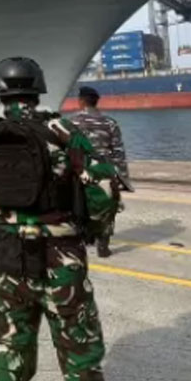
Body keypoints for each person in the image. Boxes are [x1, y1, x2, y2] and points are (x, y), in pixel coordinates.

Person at [0, 57, 119, 381]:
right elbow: (104, 187)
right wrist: (93, 229)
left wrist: (7, 225)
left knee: (11, 343)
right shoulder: (62, 131)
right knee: (79, 352)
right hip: (60, 259)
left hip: (8, 260)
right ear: (37, 88)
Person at [72, 86, 129, 258]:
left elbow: (68, 150)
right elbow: (119, 153)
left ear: (81, 101)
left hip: (82, 171)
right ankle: (103, 246)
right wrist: (122, 180)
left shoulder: (72, 122)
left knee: (79, 206)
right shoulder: (110, 123)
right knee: (107, 208)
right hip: (105, 171)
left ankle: (80, 241)